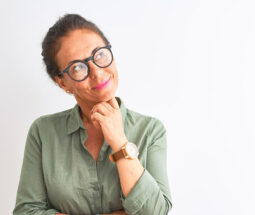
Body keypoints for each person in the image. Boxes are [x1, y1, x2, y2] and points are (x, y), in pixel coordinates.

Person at [13, 14, 172, 215]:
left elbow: (156, 212)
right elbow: (26, 212)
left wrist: (119, 141)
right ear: (62, 82)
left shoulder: (151, 130)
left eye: (100, 54)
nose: (97, 72)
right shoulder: (43, 132)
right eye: (78, 67)